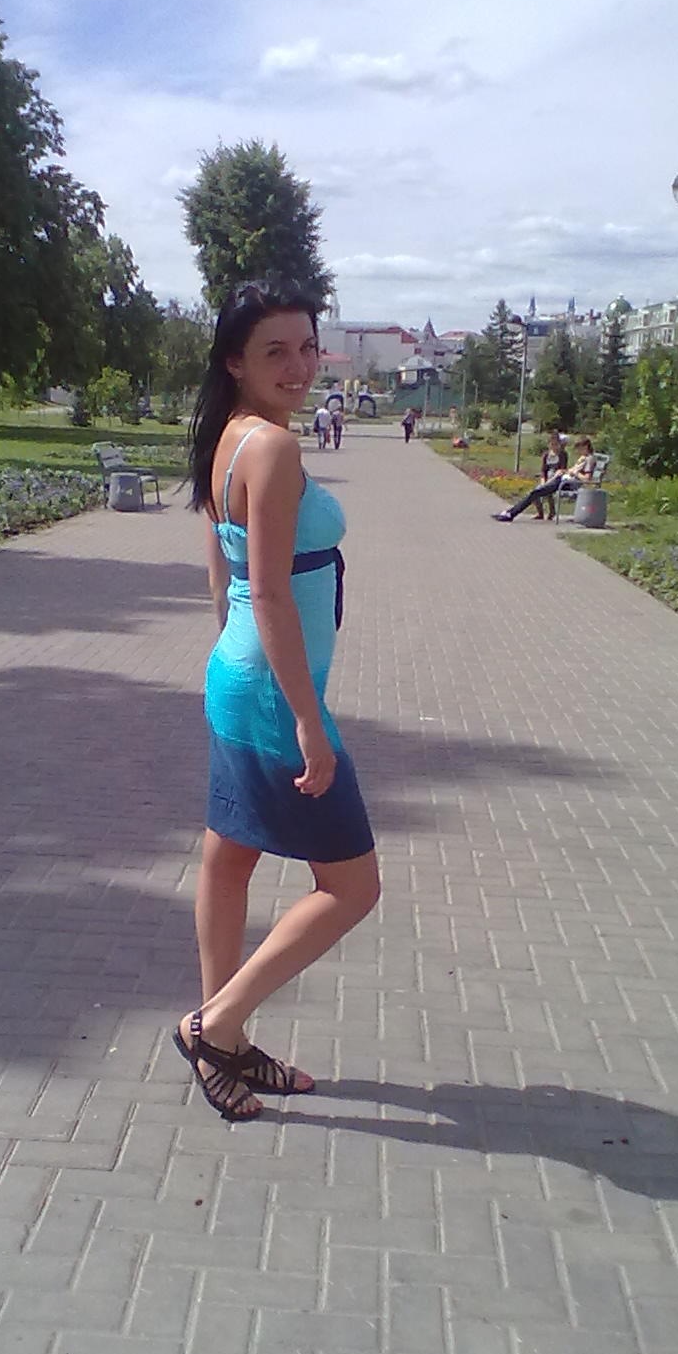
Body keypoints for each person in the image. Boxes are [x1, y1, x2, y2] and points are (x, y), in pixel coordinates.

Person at [179, 281, 380, 1120]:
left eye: (307, 346)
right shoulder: (272, 447)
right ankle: (214, 1027)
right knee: (352, 887)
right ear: (236, 361)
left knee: (229, 857)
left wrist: (233, 660)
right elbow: (265, 592)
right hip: (269, 692)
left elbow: (221, 569)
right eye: (276, 351)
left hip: (236, 674)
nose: (299, 366)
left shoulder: (228, 436)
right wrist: (305, 719)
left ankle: (226, 1044)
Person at [495, 435, 596, 521]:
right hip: (563, 479)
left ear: (586, 446)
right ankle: (510, 512)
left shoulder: (589, 459)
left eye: (579, 448)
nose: (578, 451)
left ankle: (510, 514)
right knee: (535, 492)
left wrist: (574, 473)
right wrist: (565, 471)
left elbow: (587, 479)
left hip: (567, 483)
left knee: (535, 493)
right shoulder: (583, 457)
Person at [531, 431, 568, 520]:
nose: (554, 447)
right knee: (535, 492)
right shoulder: (546, 455)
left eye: (556, 444)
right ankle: (540, 513)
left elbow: (562, 469)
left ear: (559, 444)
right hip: (547, 478)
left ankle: (552, 511)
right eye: (552, 444)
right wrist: (543, 480)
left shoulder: (562, 454)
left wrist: (552, 479)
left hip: (557, 478)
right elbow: (543, 470)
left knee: (548, 490)